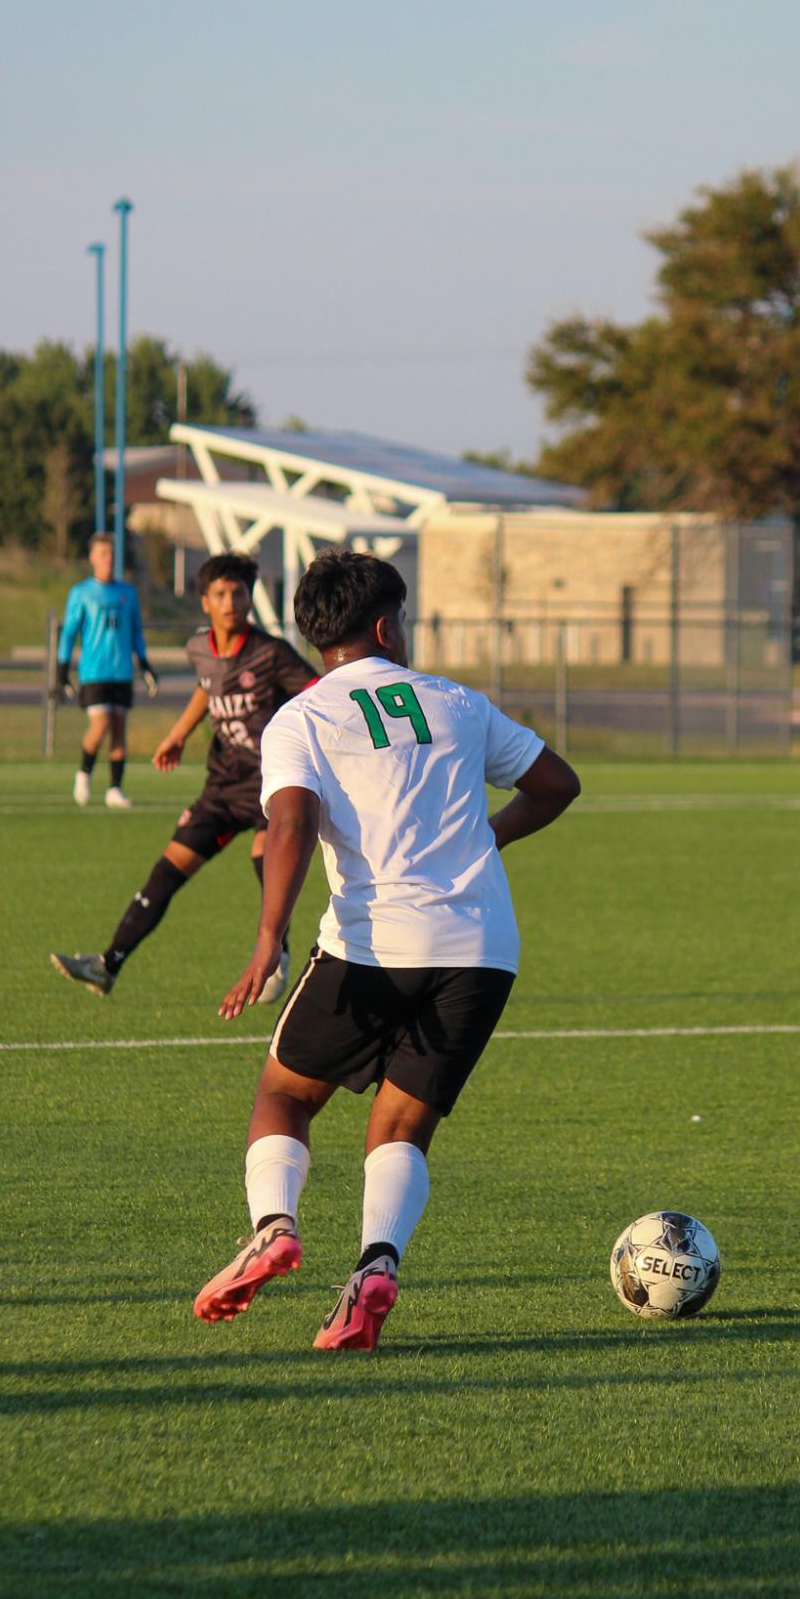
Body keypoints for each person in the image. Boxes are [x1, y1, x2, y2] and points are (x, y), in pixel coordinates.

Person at [192, 548, 580, 1350]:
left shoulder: (301, 716)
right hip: (481, 948)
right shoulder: (457, 702)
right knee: (401, 1124)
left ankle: (274, 1227)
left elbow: (291, 824)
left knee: (286, 1096)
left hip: (371, 946)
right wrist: (485, 840)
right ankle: (375, 1266)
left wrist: (268, 937)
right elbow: (556, 784)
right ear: (384, 625)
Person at [51, 551, 316, 1002]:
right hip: (222, 787)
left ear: (249, 599)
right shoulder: (199, 649)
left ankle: (278, 955)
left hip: (271, 785)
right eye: (220, 594)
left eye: (238, 593)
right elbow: (206, 687)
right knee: (166, 872)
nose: (231, 601)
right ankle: (108, 964)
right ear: (205, 603)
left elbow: (318, 693)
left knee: (265, 855)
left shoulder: (272, 653)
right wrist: (177, 735)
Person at [56, 531, 158, 810]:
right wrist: (62, 671)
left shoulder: (127, 593)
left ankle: (115, 788)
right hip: (95, 672)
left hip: (122, 672)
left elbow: (136, 632)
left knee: (119, 730)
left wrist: (145, 665)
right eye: (103, 553)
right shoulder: (81, 593)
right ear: (92, 558)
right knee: (99, 725)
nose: (108, 559)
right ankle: (83, 774)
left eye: (111, 554)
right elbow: (68, 633)